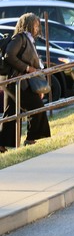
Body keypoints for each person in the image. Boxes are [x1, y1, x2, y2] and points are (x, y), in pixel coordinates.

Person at [1, 13, 51, 152]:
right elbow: (9, 55)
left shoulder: (29, 40)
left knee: (11, 113)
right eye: (35, 25)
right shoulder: (20, 38)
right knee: (37, 108)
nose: (37, 28)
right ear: (28, 24)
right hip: (16, 81)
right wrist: (27, 68)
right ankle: (31, 139)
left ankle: (2, 145)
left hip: (19, 82)